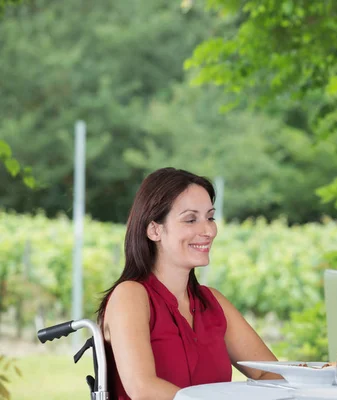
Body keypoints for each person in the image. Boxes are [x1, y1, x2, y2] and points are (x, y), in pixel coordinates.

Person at [97, 167, 280, 400]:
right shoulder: (131, 295)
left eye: (210, 218)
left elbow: (270, 374)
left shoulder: (212, 302)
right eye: (191, 219)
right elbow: (143, 389)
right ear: (154, 229)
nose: (209, 230)